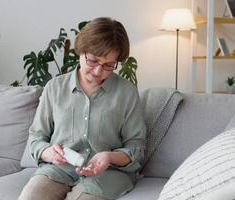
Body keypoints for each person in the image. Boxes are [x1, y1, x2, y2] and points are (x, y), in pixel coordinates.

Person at [19, 17, 147, 200]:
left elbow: (136, 146)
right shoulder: (55, 88)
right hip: (58, 170)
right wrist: (49, 153)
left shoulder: (126, 92)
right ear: (81, 50)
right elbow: (36, 137)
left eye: (108, 65)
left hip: (107, 174)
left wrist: (109, 157)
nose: (97, 71)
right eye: (93, 61)